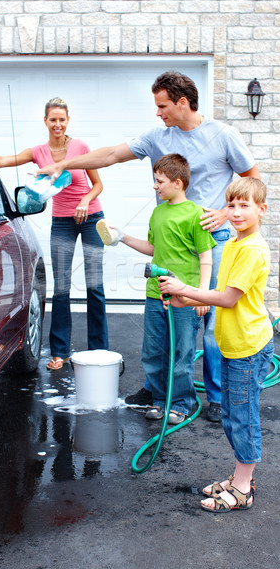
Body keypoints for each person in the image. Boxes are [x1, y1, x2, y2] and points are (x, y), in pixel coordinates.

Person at [35, 71, 260, 422]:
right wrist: (65, 163)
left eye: (163, 106)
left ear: (182, 102)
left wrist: (223, 212)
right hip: (168, 239)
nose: (158, 113)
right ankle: (157, 389)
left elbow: (254, 180)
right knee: (161, 317)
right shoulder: (158, 136)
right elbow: (110, 155)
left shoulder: (223, 135)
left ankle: (215, 396)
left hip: (208, 238)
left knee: (209, 321)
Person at [158, 177, 273, 512]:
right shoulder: (237, 243)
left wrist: (184, 288)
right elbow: (221, 292)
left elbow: (227, 298)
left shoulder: (251, 249)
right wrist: (183, 299)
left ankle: (242, 490)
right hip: (233, 344)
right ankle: (241, 477)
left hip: (247, 348)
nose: (236, 212)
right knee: (232, 416)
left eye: (244, 206)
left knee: (243, 417)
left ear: (261, 210)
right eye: (232, 205)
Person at [0, 97, 108, 370]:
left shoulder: (80, 148)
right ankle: (60, 352)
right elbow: (5, 160)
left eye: (62, 120)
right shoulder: (39, 151)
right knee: (61, 288)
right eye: (53, 119)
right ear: (45, 121)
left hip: (91, 218)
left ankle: (99, 352)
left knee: (94, 286)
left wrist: (85, 201)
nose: (58, 124)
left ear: (68, 122)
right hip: (62, 222)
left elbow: (98, 185)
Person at [98, 153, 216, 424]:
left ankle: (181, 402)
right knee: (153, 351)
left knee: (182, 352)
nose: (155, 186)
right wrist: (123, 237)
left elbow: (205, 257)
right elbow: (153, 249)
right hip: (156, 295)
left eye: (159, 181)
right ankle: (161, 400)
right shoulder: (157, 212)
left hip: (184, 298)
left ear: (178, 183)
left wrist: (201, 295)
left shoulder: (196, 215)